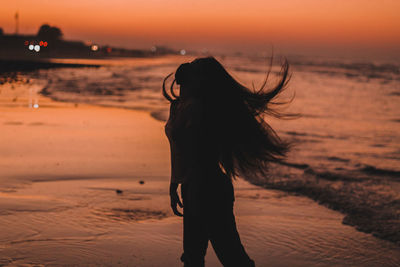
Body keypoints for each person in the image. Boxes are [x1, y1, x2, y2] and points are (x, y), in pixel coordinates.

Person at [163, 57, 292, 267]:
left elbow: (189, 148)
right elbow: (178, 150)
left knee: (229, 257)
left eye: (189, 77)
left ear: (200, 81)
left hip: (208, 188)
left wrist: (178, 182)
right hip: (194, 186)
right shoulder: (185, 107)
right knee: (195, 257)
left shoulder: (198, 109)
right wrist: (175, 183)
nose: (182, 84)